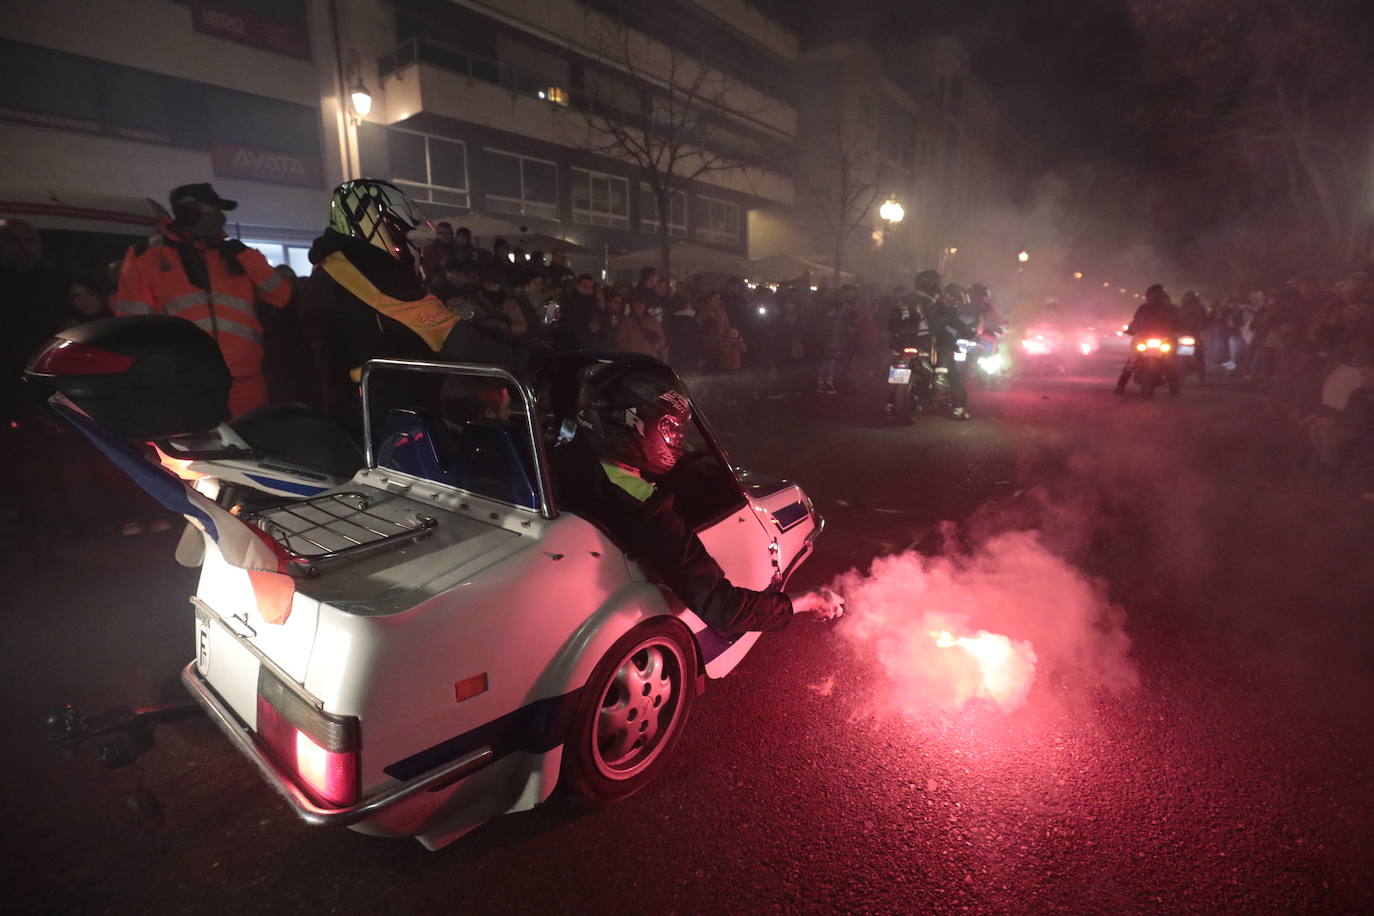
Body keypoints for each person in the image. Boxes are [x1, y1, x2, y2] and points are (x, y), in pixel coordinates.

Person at [552, 363, 842, 634]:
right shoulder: (649, 511)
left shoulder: (565, 455)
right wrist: (807, 600)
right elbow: (723, 609)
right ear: (636, 424)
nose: (677, 439)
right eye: (670, 430)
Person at [113, 183, 291, 416]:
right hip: (184, 379)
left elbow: (281, 296)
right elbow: (132, 324)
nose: (220, 218)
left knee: (255, 443)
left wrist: (246, 256)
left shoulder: (237, 255)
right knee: (197, 448)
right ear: (189, 212)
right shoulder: (145, 256)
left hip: (244, 378)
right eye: (214, 211)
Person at [300, 179, 459, 413]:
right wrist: (502, 355)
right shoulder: (373, 271)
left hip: (352, 400)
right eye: (398, 230)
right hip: (384, 405)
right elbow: (441, 331)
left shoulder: (334, 265)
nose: (404, 239)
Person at [1115, 284, 1183, 394]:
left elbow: (1135, 323)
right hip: (1150, 338)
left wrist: (1131, 330)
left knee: (1132, 362)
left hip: (1158, 339)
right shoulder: (1168, 308)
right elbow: (1136, 322)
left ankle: (1120, 386)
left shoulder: (1146, 307)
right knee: (1169, 363)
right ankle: (1174, 389)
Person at [925, 281, 975, 419]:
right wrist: (967, 331)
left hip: (920, 344)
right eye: (954, 298)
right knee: (954, 377)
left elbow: (957, 324)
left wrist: (967, 331)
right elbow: (953, 325)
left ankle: (890, 405)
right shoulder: (943, 308)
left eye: (957, 300)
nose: (956, 302)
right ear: (947, 295)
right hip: (936, 347)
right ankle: (958, 410)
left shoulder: (927, 304)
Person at [616, 294, 668, 359]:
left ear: (645, 305)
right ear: (632, 306)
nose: (638, 306)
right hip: (633, 358)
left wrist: (655, 348)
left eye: (640, 304)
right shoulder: (627, 322)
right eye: (635, 304)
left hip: (651, 357)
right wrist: (630, 349)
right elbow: (621, 339)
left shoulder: (652, 320)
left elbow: (661, 337)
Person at [1179, 289, 1209, 385]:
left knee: (1184, 358)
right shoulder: (1200, 307)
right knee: (1198, 357)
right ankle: (1202, 379)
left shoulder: (1182, 307)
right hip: (1193, 335)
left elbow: (1205, 321)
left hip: (1186, 335)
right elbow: (1206, 321)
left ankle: (1182, 378)